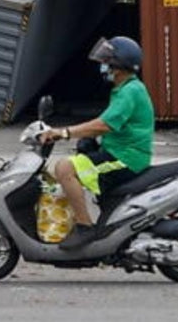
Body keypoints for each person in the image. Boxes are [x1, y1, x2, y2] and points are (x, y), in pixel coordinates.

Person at [39, 36, 155, 250]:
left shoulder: (130, 91)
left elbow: (103, 125)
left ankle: (85, 228)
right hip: (120, 153)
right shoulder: (126, 89)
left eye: (107, 62)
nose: (103, 66)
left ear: (119, 66)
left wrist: (64, 132)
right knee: (79, 158)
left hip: (126, 159)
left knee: (65, 168)